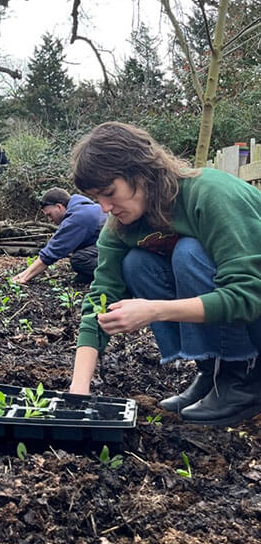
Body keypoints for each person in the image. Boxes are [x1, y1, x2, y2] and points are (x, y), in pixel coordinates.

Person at [68, 121, 261, 427]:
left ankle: (243, 377)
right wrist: (78, 392)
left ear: (141, 172)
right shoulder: (120, 226)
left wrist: (154, 310)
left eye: (108, 192)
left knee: (188, 253)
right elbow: (100, 300)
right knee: (137, 264)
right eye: (96, 198)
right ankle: (212, 372)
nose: (104, 208)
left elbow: (249, 294)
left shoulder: (209, 194)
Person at [12, 187, 106, 285]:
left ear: (59, 207)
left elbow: (51, 253)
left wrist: (24, 277)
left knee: (80, 259)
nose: (49, 220)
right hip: (109, 248)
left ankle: (114, 276)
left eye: (49, 214)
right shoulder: (84, 208)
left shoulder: (77, 218)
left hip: (117, 252)